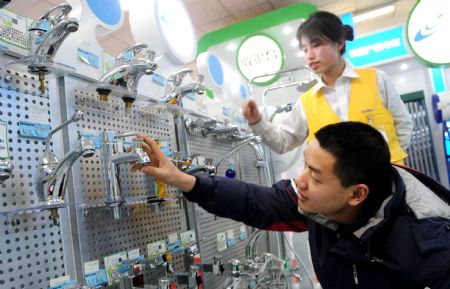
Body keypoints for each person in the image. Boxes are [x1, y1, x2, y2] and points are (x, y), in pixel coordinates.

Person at [131, 122, 450, 289]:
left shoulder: (431, 253)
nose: (300, 181)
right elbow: (257, 203)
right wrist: (182, 179)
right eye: (305, 166)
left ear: (356, 194)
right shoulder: (321, 203)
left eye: (315, 175)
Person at [242, 11, 413, 164]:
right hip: (339, 194)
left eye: (316, 45)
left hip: (387, 186)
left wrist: (388, 165)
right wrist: (257, 121)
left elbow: (403, 125)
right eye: (304, 49)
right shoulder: (306, 102)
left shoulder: (377, 79)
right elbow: (283, 142)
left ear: (339, 43)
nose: (309, 55)